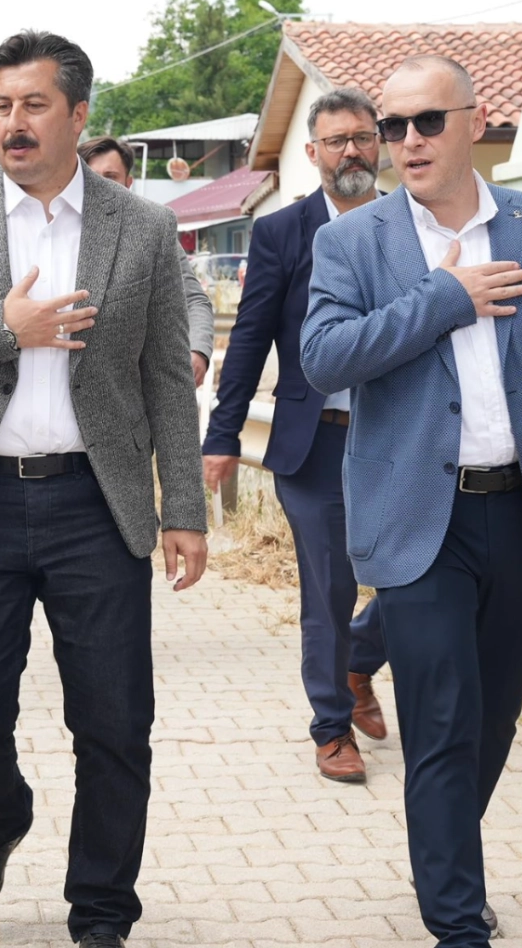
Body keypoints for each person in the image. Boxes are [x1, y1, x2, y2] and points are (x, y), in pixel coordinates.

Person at [0, 31, 209, 948]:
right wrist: (1, 326)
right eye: (1, 107)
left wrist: (183, 509)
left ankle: (101, 912)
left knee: (115, 721)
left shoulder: (141, 228)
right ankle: (1, 814)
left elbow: (164, 378)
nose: (13, 124)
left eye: (33, 105)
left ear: (78, 114)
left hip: (96, 504)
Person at [301, 55, 522, 948]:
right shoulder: (354, 241)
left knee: (494, 714)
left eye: (426, 122)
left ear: (474, 119)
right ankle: (457, 922)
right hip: (419, 517)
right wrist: (442, 299)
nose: (407, 141)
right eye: (393, 127)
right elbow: (324, 357)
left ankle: (445, 853)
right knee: (442, 720)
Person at [199, 88, 391, 784]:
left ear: (379, 143)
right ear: (312, 153)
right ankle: (331, 728)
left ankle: (358, 661)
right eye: (337, 141)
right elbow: (250, 338)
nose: (351, 152)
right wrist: (222, 435)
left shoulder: (411, 223)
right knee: (329, 588)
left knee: (420, 575)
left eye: (362, 138)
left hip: (396, 439)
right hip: (315, 444)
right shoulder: (282, 232)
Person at [79, 135, 217, 388]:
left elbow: (193, 300)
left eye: (110, 177)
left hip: (132, 389)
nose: (100, 185)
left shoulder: (152, 232)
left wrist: (198, 350)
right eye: (90, 176)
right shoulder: (52, 233)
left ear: (128, 183)